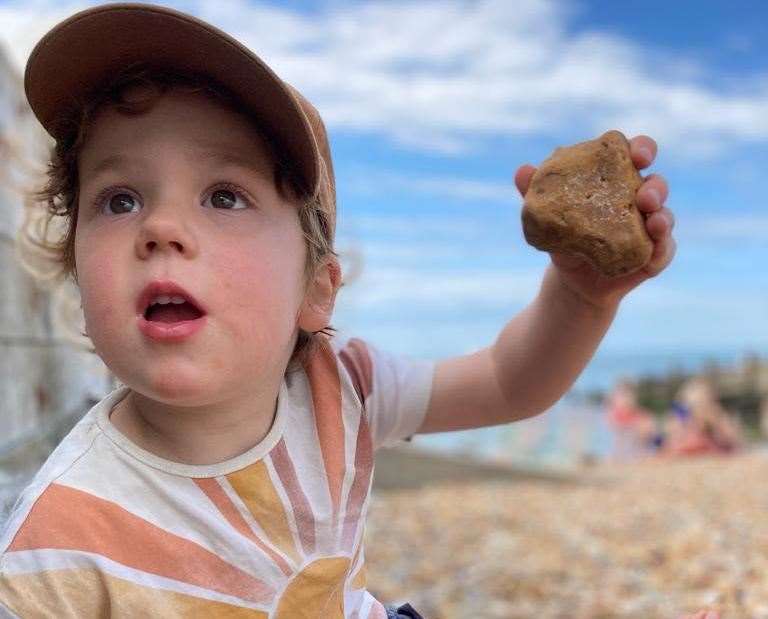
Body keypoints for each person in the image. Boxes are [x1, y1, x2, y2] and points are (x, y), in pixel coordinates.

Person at [0, 4, 686, 618]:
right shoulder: (53, 551)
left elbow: (511, 381)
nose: (162, 227)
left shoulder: (340, 390)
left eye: (224, 195)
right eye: (120, 199)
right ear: (77, 280)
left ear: (315, 290)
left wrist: (579, 298)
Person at [665, 376, 743, 456]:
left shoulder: (717, 418)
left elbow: (734, 441)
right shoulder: (680, 417)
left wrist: (713, 423)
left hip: (714, 451)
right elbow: (672, 444)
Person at [605, 377, 661, 460]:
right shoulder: (611, 415)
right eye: (622, 395)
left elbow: (654, 437)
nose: (626, 400)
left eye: (628, 395)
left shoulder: (642, 417)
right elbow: (616, 441)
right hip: (632, 452)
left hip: (647, 448)